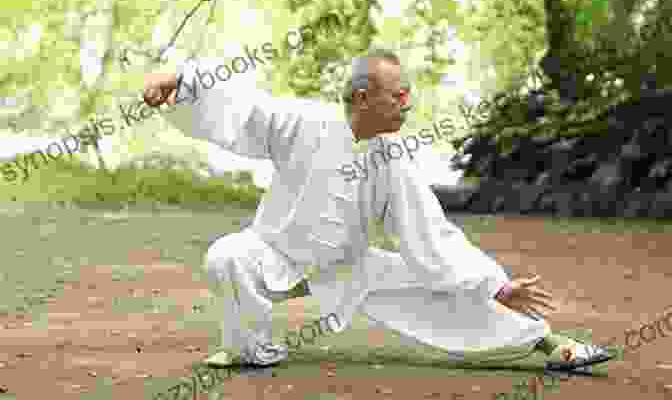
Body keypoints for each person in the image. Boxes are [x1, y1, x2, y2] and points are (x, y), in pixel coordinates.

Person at [142, 47, 613, 373]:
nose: (407, 103)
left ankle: (550, 343)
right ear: (364, 97)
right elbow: (243, 110)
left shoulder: (395, 157)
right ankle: (250, 350)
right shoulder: (301, 123)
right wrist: (180, 81)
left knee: (441, 290)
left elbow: (431, 235)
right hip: (276, 252)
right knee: (228, 256)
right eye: (398, 94)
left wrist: (497, 284)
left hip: (350, 267)